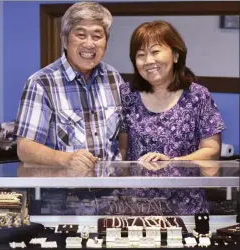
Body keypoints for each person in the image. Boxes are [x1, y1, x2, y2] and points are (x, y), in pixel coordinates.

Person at [118, 20, 226, 215]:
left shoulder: (197, 96)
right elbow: (123, 150)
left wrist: (172, 161)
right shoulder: (127, 94)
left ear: (175, 55)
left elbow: (211, 151)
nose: (148, 60)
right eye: (140, 55)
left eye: (155, 51)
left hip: (186, 207)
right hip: (135, 207)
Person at [14, 2, 124, 172]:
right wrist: (66, 159)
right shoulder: (42, 82)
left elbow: (123, 133)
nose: (89, 44)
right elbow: (25, 148)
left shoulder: (113, 78)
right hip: (63, 193)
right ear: (65, 40)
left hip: (112, 193)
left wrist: (122, 168)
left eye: (97, 36)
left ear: (106, 43)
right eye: (81, 35)